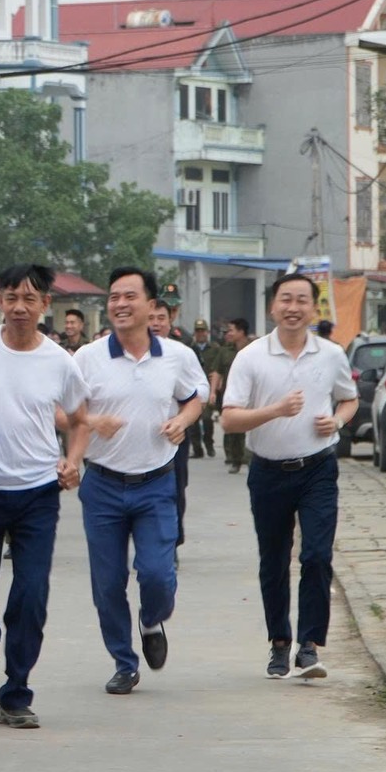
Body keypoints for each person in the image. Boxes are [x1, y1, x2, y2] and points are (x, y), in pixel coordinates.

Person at [0, 264, 88, 729]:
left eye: (29, 298)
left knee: (31, 595)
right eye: (11, 297)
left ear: (46, 303)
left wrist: (73, 460)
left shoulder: (60, 361)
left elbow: (80, 420)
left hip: (37, 493)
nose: (19, 307)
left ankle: (17, 692)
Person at [69, 268, 208, 695]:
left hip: (155, 483)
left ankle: (151, 620)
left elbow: (195, 397)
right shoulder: (87, 358)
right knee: (108, 583)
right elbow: (64, 411)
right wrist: (91, 422)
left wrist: (182, 421)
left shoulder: (177, 356)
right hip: (103, 484)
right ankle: (124, 663)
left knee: (157, 574)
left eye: (130, 296)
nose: (120, 304)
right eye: (114, 297)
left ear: (151, 305)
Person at [221, 273, 358, 680]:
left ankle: (309, 646)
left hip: (318, 468)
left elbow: (349, 400)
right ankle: (280, 642)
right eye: (286, 299)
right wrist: (275, 411)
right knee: (275, 560)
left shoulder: (331, 354)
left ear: (314, 309)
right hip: (268, 470)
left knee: (316, 555)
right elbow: (229, 419)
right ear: (272, 307)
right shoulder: (251, 357)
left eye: (302, 300)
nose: (293, 308)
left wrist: (336, 421)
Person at [150, 299, 192, 557]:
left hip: (175, 435)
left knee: (176, 487)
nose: (155, 324)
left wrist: (182, 420)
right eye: (151, 318)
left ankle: (172, 543)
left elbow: (198, 392)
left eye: (161, 318)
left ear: (170, 321)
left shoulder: (181, 353)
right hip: (144, 437)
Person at [216, 319, 253, 472]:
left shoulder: (254, 349)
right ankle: (235, 460)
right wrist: (212, 392)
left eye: (231, 330)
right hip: (231, 394)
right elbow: (217, 371)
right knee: (235, 429)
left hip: (251, 395)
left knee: (251, 427)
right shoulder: (225, 351)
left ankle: (250, 460)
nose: (228, 334)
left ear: (241, 332)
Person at [188, 319, 218, 458]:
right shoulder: (189, 349)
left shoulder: (215, 349)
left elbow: (218, 367)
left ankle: (209, 444)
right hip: (193, 388)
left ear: (207, 332)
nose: (200, 333)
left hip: (209, 388)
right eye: (198, 331)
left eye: (203, 331)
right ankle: (197, 449)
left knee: (207, 419)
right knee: (193, 421)